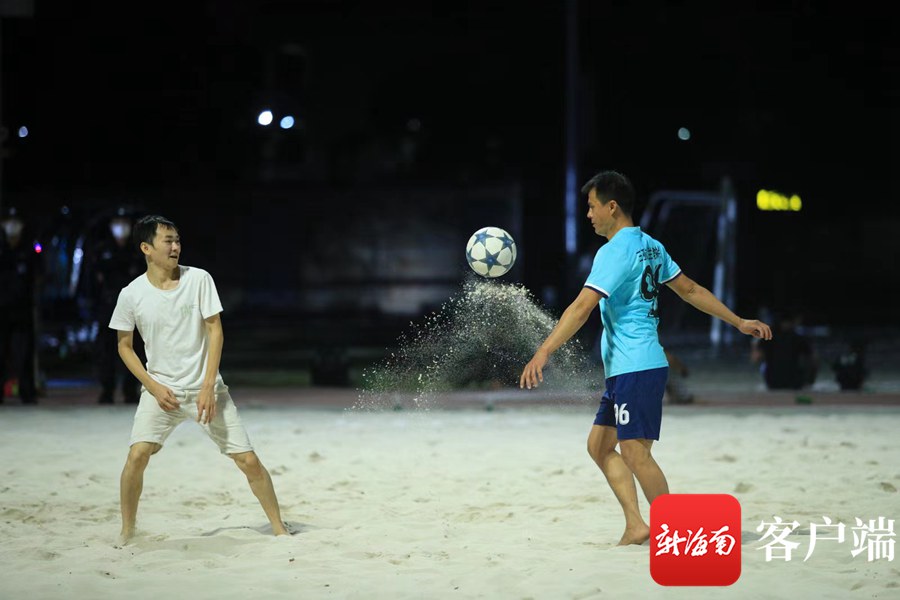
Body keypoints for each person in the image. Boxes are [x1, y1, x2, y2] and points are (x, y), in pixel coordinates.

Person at [519, 170, 772, 546]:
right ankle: (637, 525)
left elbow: (582, 308)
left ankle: (680, 531)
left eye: (591, 206)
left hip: (635, 367)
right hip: (631, 368)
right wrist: (737, 321)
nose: (588, 215)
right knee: (599, 447)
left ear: (612, 206)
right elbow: (690, 289)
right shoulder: (651, 245)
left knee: (635, 454)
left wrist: (544, 350)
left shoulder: (614, 251)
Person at [110, 215, 288, 543]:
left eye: (177, 240)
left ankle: (280, 528)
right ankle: (127, 531)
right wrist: (152, 386)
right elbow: (124, 346)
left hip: (206, 389)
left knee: (248, 460)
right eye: (168, 241)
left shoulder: (199, 279)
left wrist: (208, 386)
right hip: (160, 392)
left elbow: (215, 330)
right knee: (137, 456)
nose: (175, 246)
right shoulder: (131, 294)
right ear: (147, 248)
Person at [87, 209, 145, 403]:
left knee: (134, 349)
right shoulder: (101, 250)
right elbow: (93, 282)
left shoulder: (138, 251)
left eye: (124, 223)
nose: (121, 228)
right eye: (117, 223)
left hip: (134, 309)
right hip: (108, 308)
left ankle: (131, 390)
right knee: (107, 351)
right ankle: (107, 390)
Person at [0, 207, 41, 404]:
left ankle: (27, 391)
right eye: (8, 221)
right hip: (1, 310)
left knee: (24, 352)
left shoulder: (29, 249)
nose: (12, 226)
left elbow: (39, 275)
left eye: (15, 221)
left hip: (23, 309)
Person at [750, 311, 816, 390]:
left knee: (764, 365)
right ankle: (808, 384)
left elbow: (756, 358)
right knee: (812, 359)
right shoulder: (798, 338)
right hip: (795, 382)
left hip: (773, 382)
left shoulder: (768, 337)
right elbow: (813, 359)